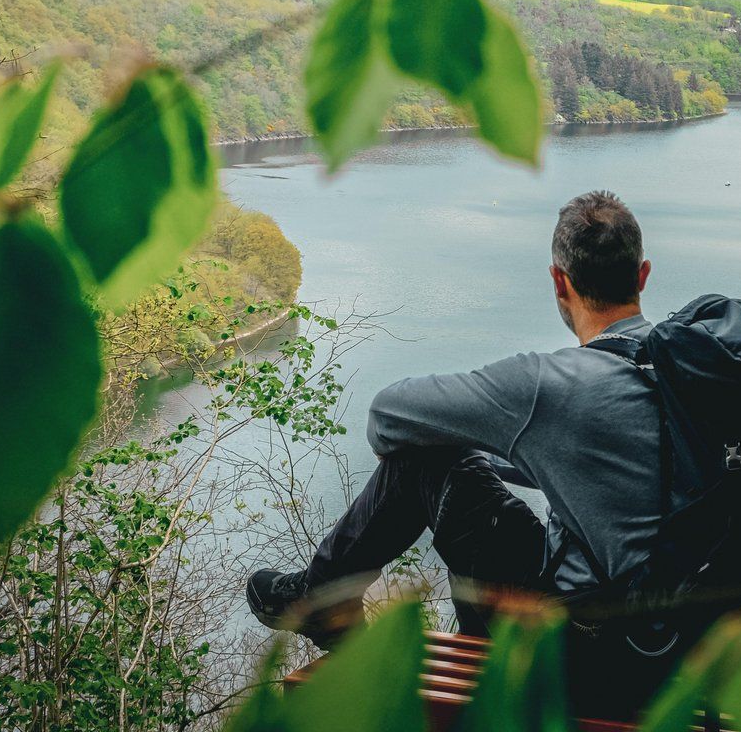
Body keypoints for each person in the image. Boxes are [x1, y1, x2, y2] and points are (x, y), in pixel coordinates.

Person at [244, 190, 667, 698]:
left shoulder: (550, 386)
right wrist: (524, 454)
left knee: (429, 458)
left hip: (586, 655)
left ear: (559, 280)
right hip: (691, 651)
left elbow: (387, 416)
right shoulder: (692, 379)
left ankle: (319, 600)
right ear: (642, 275)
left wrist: (480, 446)